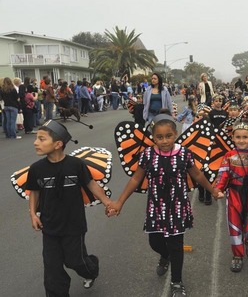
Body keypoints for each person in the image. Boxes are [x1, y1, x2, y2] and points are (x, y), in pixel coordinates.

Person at [107, 114, 221, 297]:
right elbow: (136, 178)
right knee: (155, 242)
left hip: (178, 206)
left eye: (168, 136)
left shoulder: (184, 153)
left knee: (176, 245)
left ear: (175, 134)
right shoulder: (147, 154)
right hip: (156, 207)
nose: (165, 140)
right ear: (154, 138)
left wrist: (212, 190)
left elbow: (198, 175)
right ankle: (165, 255)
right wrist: (120, 201)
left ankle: (177, 282)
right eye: (160, 137)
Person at [26, 120, 112, 296]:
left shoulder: (76, 165)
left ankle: (91, 269)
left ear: (58, 144)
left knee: (76, 261)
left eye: (41, 139)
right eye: (36, 139)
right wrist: (33, 214)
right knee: (52, 270)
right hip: (49, 226)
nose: (36, 143)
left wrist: (107, 202)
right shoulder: (36, 169)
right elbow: (34, 192)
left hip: (74, 225)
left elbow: (91, 184)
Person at [214, 120, 248, 273]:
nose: (241, 140)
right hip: (234, 194)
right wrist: (219, 189)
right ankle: (237, 256)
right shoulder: (229, 156)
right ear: (232, 138)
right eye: (238, 137)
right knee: (234, 225)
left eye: (245, 137)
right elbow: (223, 174)